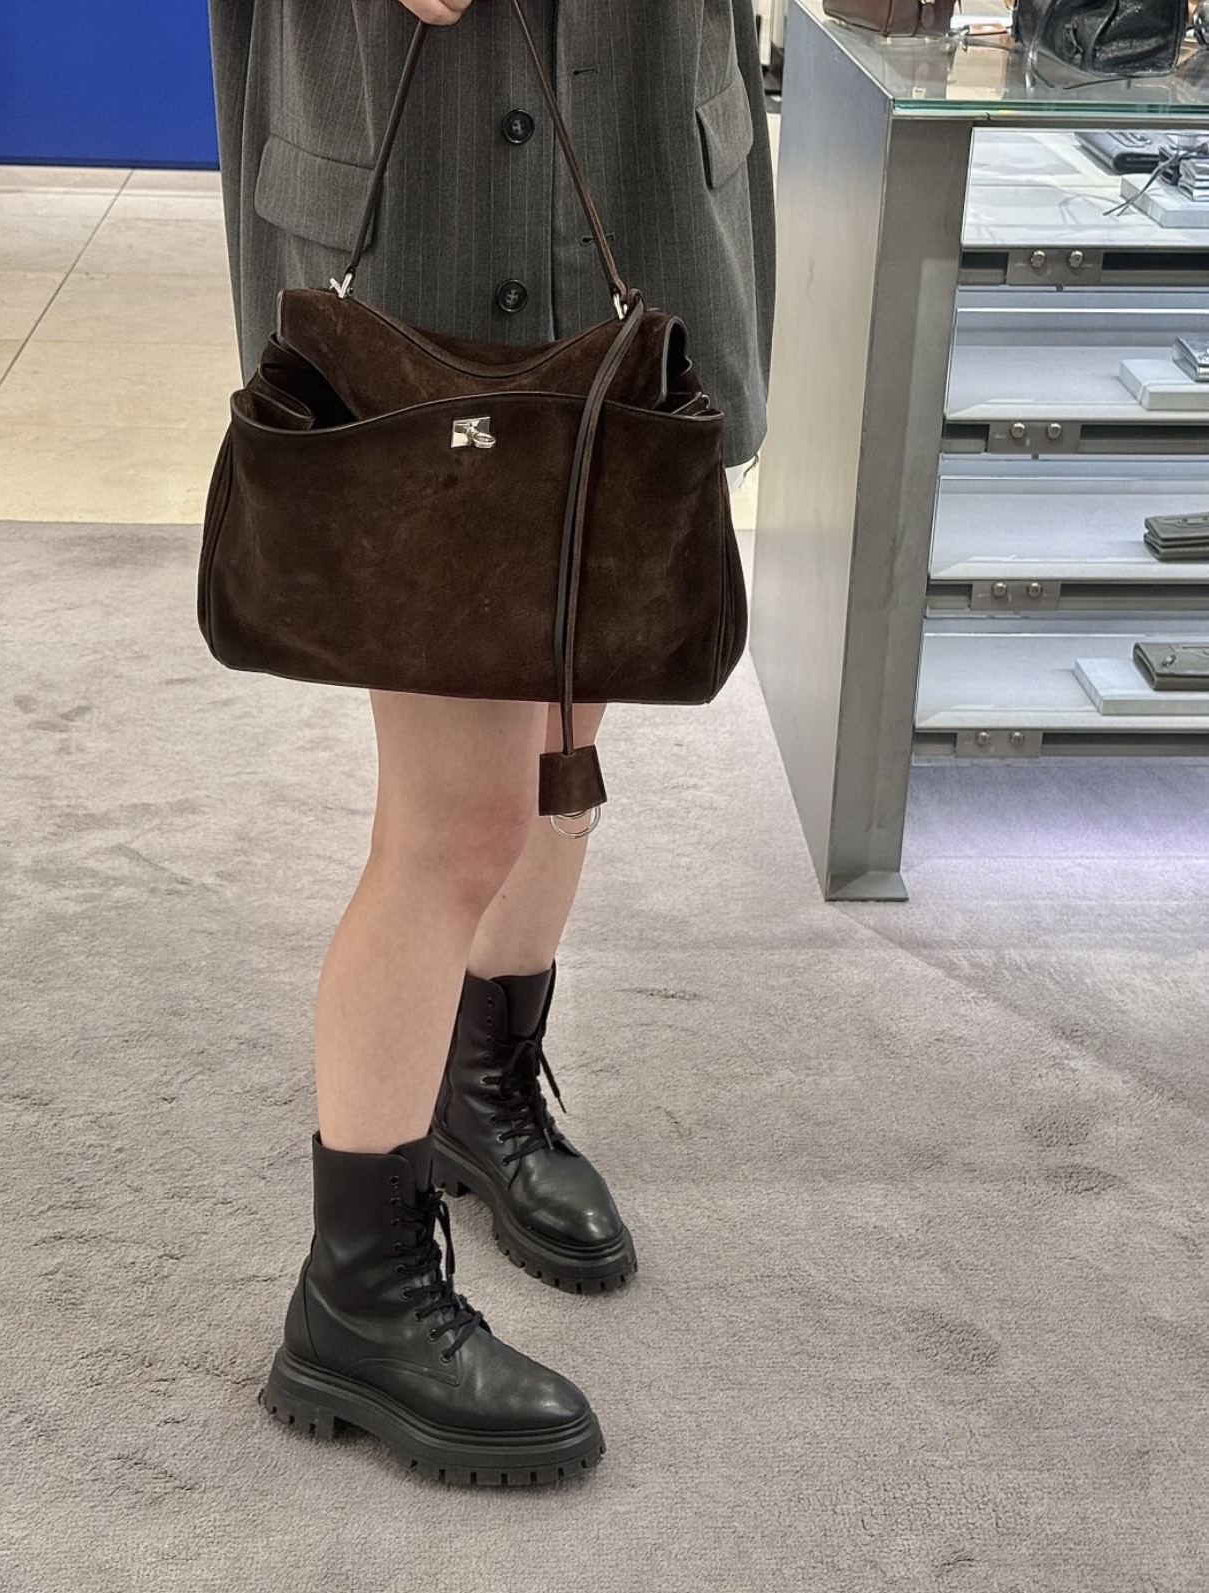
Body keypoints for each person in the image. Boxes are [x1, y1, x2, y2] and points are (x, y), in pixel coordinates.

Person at [207, 0, 775, 1484]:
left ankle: (481, 1088)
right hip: (418, 213)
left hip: (636, 168)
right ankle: (357, 1295)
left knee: (564, 751)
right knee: (455, 821)